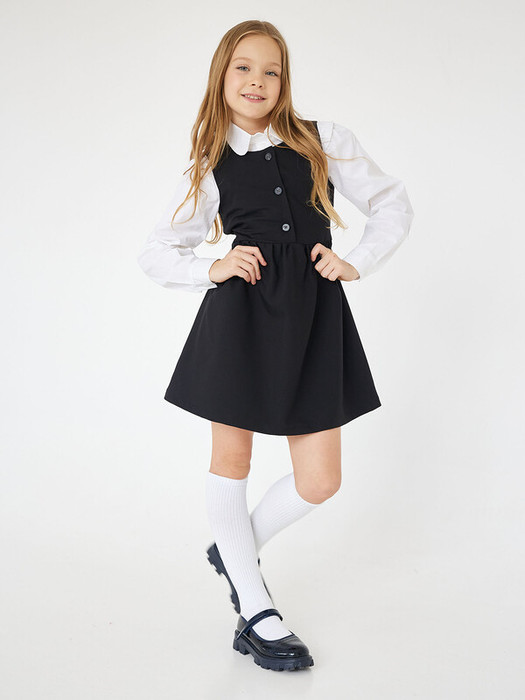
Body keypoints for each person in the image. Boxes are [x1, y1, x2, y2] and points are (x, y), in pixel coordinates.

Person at [137, 20, 414, 672]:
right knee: (231, 459)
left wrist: (356, 260)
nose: (257, 81)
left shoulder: (324, 140)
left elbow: (392, 203)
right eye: (243, 67)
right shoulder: (209, 163)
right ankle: (257, 610)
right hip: (240, 319)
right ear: (221, 75)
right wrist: (211, 267)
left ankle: (235, 552)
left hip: (314, 318)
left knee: (321, 480)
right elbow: (156, 250)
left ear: (284, 80)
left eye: (271, 70)